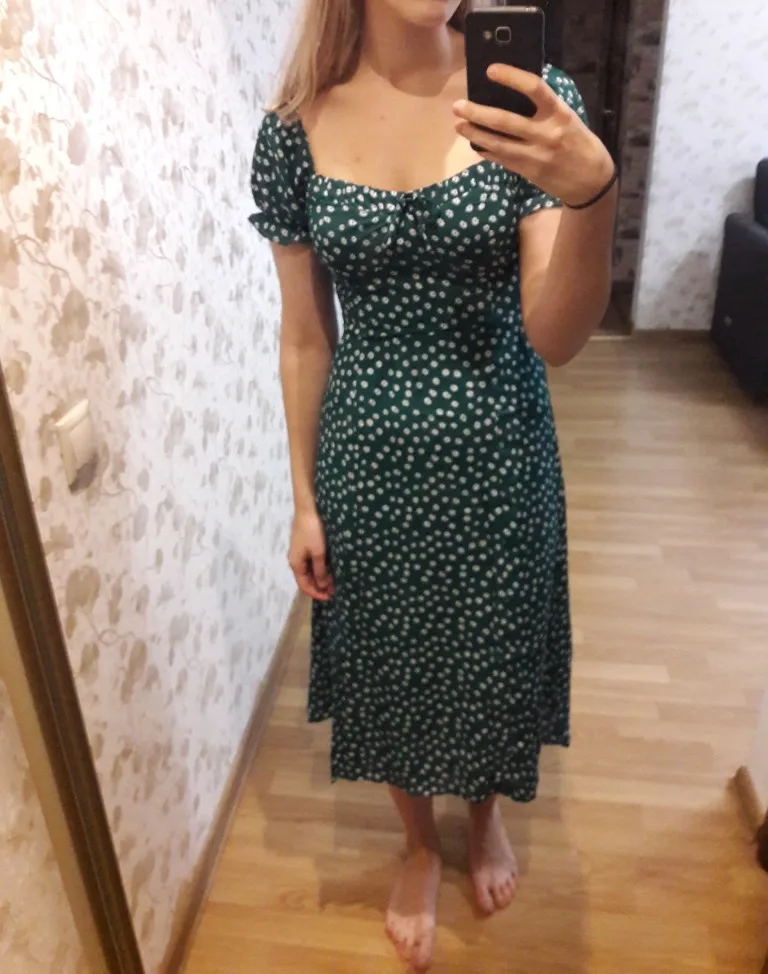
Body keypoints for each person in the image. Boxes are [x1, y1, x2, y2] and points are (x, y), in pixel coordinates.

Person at [249, 0, 617, 969]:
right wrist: (303, 498)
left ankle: (483, 815)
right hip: (367, 465)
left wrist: (593, 199)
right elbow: (304, 336)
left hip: (500, 455)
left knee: (492, 654)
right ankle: (417, 843)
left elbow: (557, 335)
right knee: (389, 662)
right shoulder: (293, 127)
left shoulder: (530, 99)